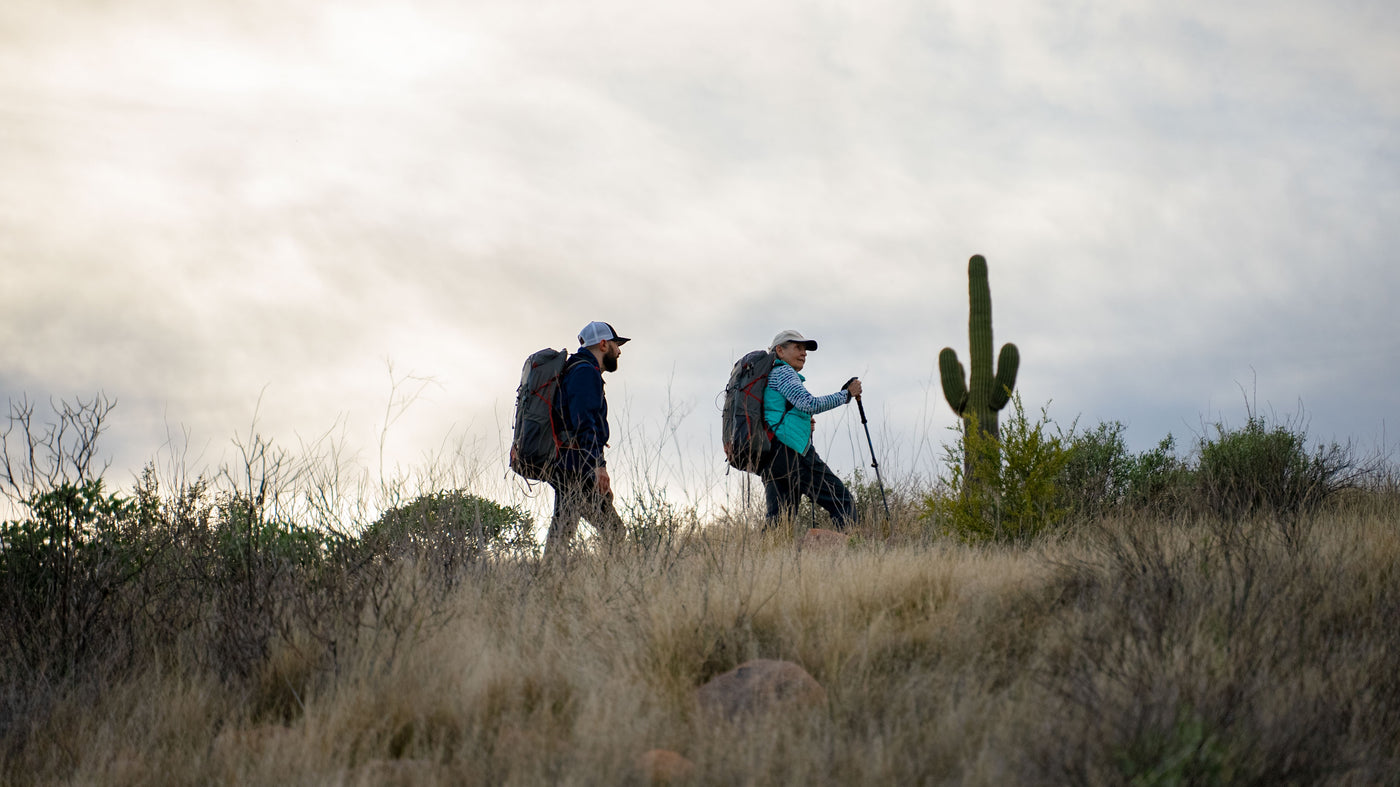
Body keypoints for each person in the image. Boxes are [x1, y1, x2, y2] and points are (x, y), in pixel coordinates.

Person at [760, 329, 862, 531]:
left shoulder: (768, 376)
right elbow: (809, 404)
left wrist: (804, 424)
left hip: (771, 454)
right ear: (779, 351)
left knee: (779, 521)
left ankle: (764, 559)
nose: (804, 353)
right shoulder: (783, 372)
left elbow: (777, 411)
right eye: (797, 347)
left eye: (805, 349)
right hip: (792, 452)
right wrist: (846, 395)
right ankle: (849, 553)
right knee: (842, 502)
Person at [546, 320, 629, 559]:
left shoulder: (577, 369)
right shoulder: (584, 372)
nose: (619, 351)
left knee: (562, 531)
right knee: (614, 531)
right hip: (576, 465)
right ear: (603, 344)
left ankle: (548, 582)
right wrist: (597, 466)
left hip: (568, 463)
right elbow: (585, 422)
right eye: (616, 344)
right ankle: (609, 582)